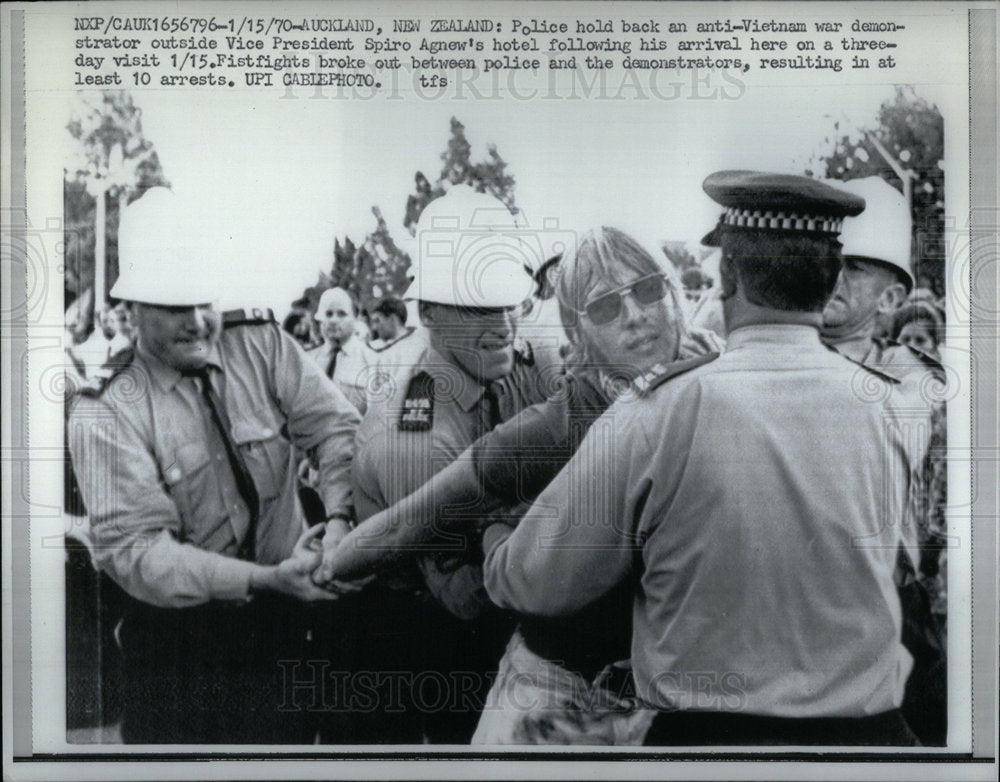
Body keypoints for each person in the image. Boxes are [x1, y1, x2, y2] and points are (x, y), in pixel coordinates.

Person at [481, 171, 931, 746]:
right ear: (828, 279)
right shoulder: (892, 407)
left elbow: (536, 582)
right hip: (869, 743)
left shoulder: (658, 410)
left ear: (728, 277)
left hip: (711, 740)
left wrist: (493, 538)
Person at [320, 227, 721, 744]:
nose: (635, 316)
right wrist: (332, 559)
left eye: (648, 289)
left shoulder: (721, 379)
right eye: (603, 308)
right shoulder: (565, 419)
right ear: (577, 332)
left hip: (672, 699)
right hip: (554, 693)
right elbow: (415, 520)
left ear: (672, 291)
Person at [67, 188, 363, 744]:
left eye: (203, 300)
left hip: (284, 636)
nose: (200, 321)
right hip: (181, 653)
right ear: (133, 310)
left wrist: (341, 522)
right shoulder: (105, 409)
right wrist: (265, 580)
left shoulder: (260, 343)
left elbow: (337, 429)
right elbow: (140, 554)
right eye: (177, 306)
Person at [339, 186, 558, 743]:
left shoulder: (507, 359)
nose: (505, 325)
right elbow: (462, 597)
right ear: (429, 313)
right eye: (480, 307)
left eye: (509, 303)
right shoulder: (417, 431)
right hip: (419, 639)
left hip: (490, 616)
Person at [821, 177, 948, 745]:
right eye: (825, 259)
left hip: (887, 607)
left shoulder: (909, 375)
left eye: (852, 268)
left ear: (892, 299)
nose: (831, 275)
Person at [308, 287, 372, 414]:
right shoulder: (307, 360)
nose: (333, 320)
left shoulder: (371, 359)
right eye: (328, 314)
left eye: (341, 314)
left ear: (356, 317)